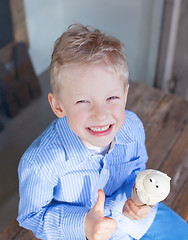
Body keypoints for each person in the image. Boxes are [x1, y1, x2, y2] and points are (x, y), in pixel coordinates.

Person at [17, 24, 188, 240]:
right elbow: (32, 216)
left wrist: (140, 200)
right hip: (82, 233)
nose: (101, 114)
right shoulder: (40, 163)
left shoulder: (132, 127)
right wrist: (83, 224)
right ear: (58, 106)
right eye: (83, 101)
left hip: (131, 216)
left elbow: (136, 169)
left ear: (125, 95)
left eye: (111, 98)